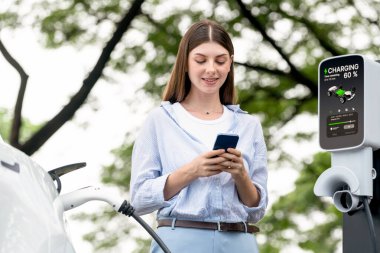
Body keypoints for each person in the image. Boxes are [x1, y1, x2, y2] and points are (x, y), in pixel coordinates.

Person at [130, 19, 268, 253]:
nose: (211, 69)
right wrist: (193, 170)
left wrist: (241, 175)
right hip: (179, 240)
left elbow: (257, 210)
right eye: (201, 60)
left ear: (230, 64)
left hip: (239, 242)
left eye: (221, 61)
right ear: (185, 62)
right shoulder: (160, 121)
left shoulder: (249, 125)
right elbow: (139, 200)